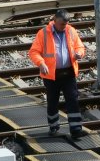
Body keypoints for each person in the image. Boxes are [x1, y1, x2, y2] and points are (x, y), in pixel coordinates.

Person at [28, 9, 88, 138]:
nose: (64, 27)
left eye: (66, 24)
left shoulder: (71, 31)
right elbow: (34, 52)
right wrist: (41, 63)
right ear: (54, 21)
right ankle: (53, 127)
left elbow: (80, 47)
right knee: (52, 101)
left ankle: (76, 129)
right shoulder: (43, 33)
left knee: (72, 100)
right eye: (61, 24)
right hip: (51, 74)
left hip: (69, 73)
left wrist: (79, 53)